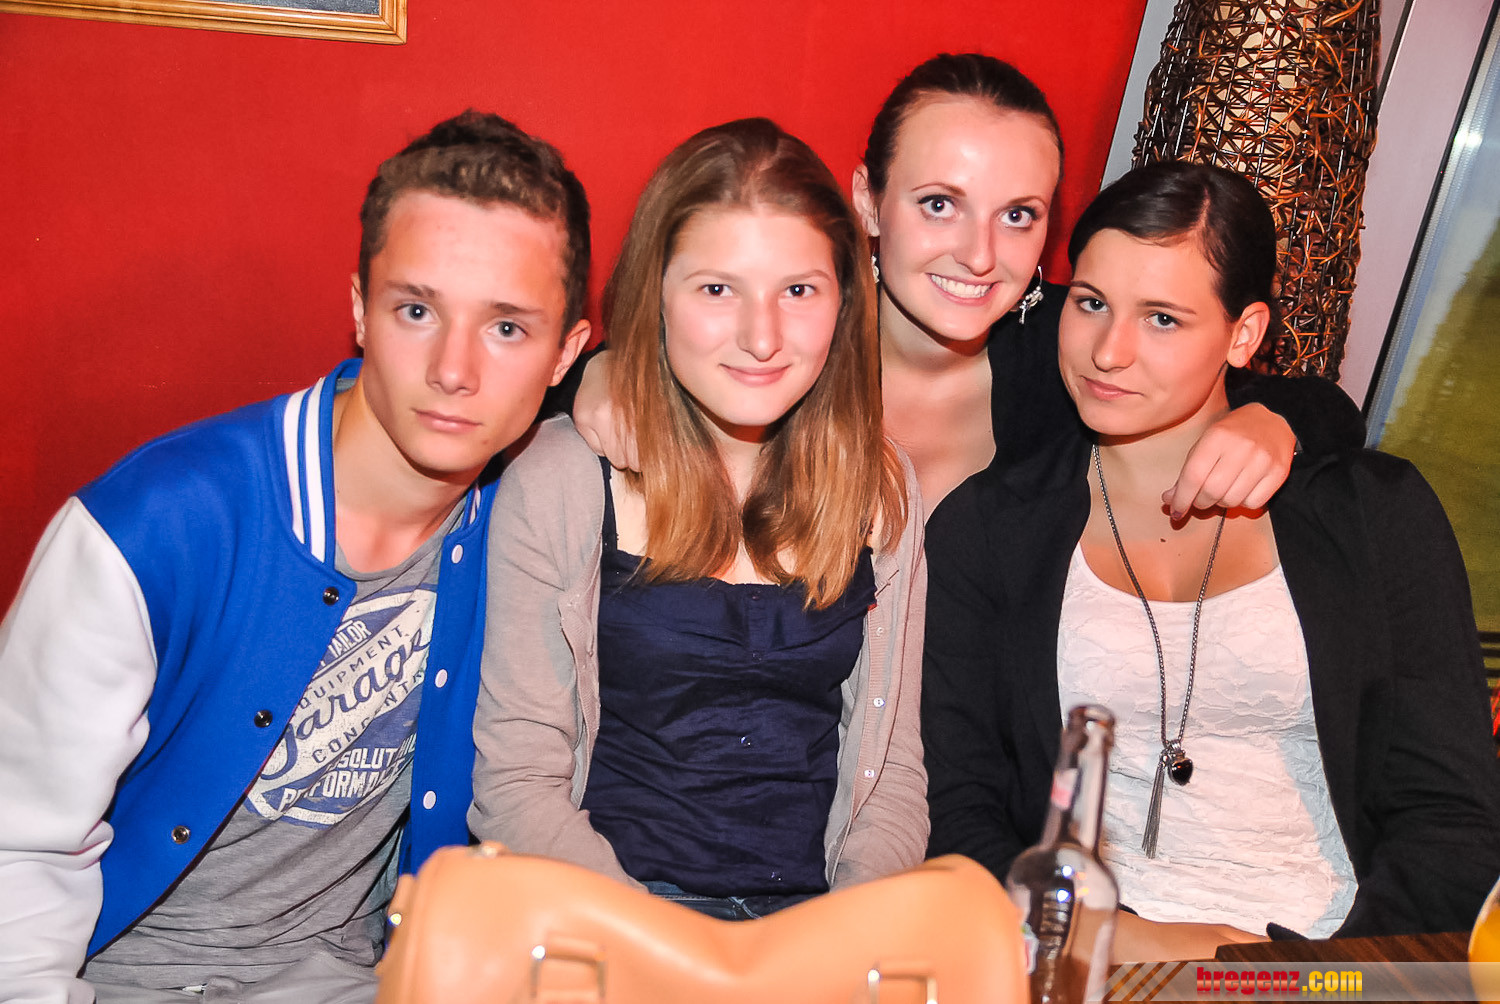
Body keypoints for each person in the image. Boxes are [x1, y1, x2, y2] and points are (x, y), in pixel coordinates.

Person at [0, 111, 592, 1003]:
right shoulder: (157, 527)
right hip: (117, 978)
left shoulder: (530, 523)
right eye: (417, 311)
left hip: (362, 977)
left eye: (507, 328)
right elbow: (17, 848)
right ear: (359, 309)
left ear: (566, 353)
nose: (453, 369)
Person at [922, 160, 1500, 961]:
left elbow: (1451, 818)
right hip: (1086, 955)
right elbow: (962, 810)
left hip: (1332, 956)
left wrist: (1319, 977)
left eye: (1163, 319)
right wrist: (1107, 935)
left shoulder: (1375, 515)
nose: (1109, 352)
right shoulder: (988, 530)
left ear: (1244, 334)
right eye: (1091, 303)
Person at [468, 118, 927, 920]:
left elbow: (893, 777)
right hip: (611, 919)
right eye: (718, 290)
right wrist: (687, 958)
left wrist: (842, 936)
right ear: (656, 294)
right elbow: (516, 788)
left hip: (815, 926)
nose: (762, 337)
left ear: (845, 300)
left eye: (798, 291)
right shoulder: (562, 480)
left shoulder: (879, 487)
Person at [570, 53, 1363, 511]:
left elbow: (1322, 407)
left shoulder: (1073, 346)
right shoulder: (784, 337)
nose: (980, 256)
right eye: (940, 204)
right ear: (867, 200)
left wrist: (1273, 425)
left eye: (1017, 215)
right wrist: (606, 372)